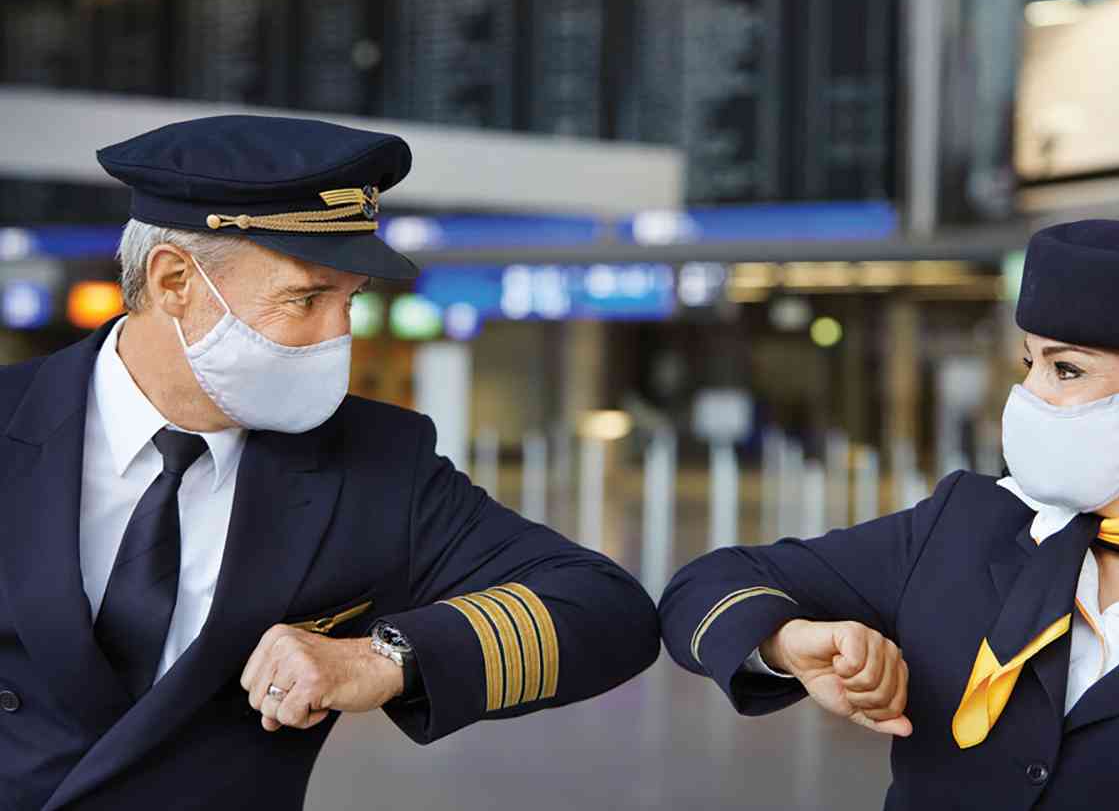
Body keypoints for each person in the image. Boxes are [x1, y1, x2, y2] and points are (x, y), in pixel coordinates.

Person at [0, 115, 660, 811]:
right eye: (306, 298)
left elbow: (608, 610)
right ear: (173, 282)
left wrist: (385, 658)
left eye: (350, 301)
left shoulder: (373, 466)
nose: (337, 336)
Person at [659, 220, 1119, 809]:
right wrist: (787, 642)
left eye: (1067, 369)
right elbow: (702, 587)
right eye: (1028, 363)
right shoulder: (967, 527)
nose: (1029, 396)